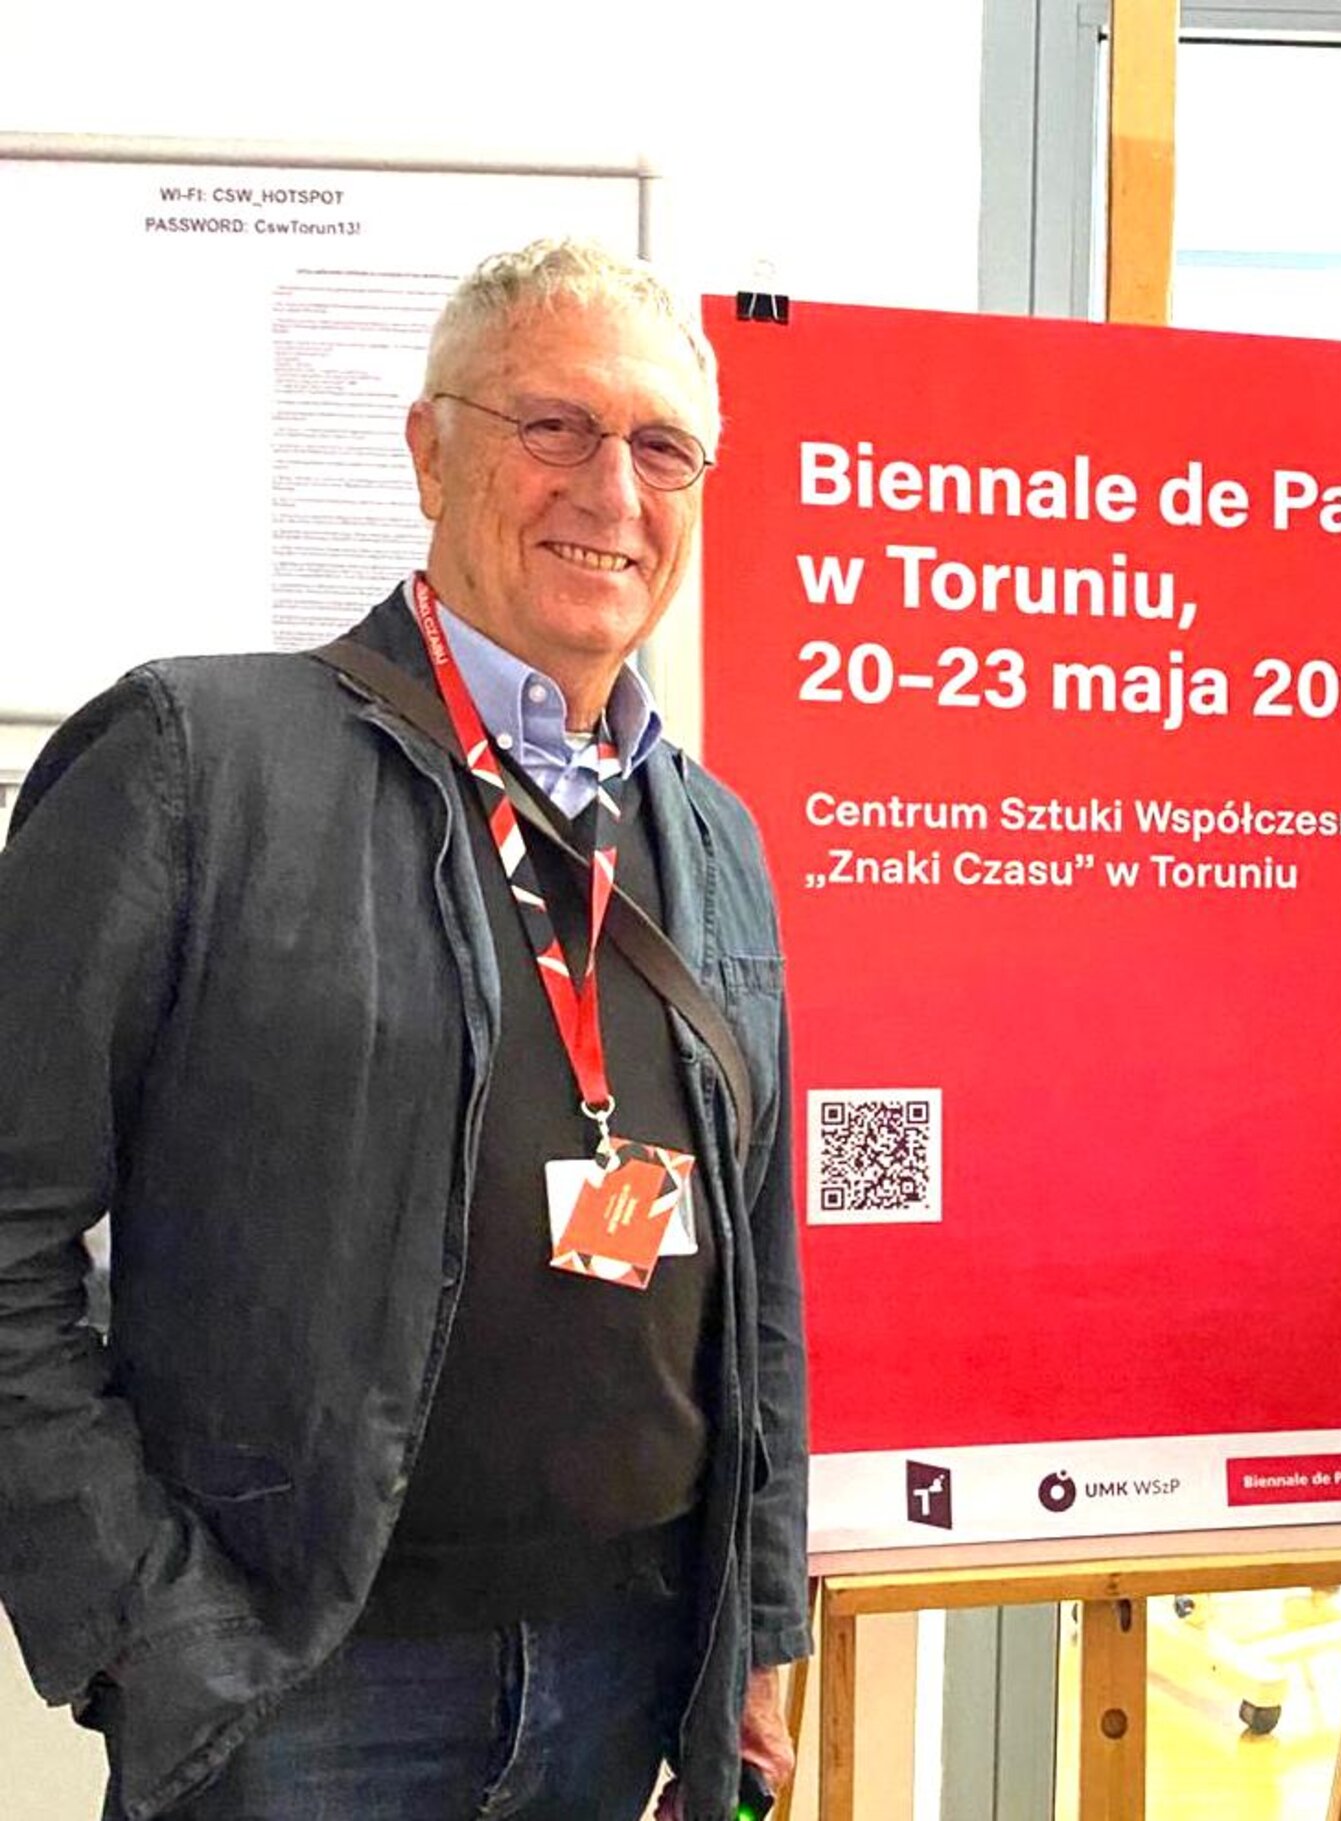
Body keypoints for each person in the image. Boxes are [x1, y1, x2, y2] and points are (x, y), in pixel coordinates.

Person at [0, 239, 808, 1821]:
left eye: (663, 448)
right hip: (305, 1693)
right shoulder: (194, 764)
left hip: (628, 1673)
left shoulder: (714, 836)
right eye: (555, 426)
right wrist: (157, 1636)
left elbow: (759, 1269)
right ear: (431, 453)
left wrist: (757, 1629)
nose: (613, 490)